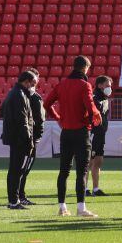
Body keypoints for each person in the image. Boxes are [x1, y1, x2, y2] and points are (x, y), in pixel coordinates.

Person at [44, 55, 102, 218]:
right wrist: (96, 116)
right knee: (82, 171)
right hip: (81, 132)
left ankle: (62, 207)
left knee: (64, 171)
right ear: (85, 68)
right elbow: (90, 108)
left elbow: (46, 104)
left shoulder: (62, 84)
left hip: (66, 132)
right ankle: (81, 208)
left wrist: (58, 118)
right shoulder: (85, 85)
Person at [0, 70, 37, 211]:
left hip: (15, 137)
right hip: (19, 139)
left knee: (14, 170)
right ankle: (13, 201)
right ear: (26, 81)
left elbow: (2, 110)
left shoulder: (15, 93)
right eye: (32, 83)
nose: (33, 86)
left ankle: (13, 200)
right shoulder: (19, 95)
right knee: (16, 170)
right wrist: (29, 141)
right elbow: (23, 121)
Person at [18, 67, 46, 206]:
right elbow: (37, 120)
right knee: (24, 168)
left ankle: (17, 195)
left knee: (23, 168)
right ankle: (19, 196)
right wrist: (35, 137)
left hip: (30, 137)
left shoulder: (31, 96)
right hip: (29, 138)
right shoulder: (29, 97)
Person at [88, 75, 112, 197]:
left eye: (110, 86)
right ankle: (85, 188)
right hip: (93, 134)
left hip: (100, 134)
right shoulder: (93, 99)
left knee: (98, 160)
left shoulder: (105, 99)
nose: (109, 88)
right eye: (107, 85)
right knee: (89, 161)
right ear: (100, 85)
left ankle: (96, 189)